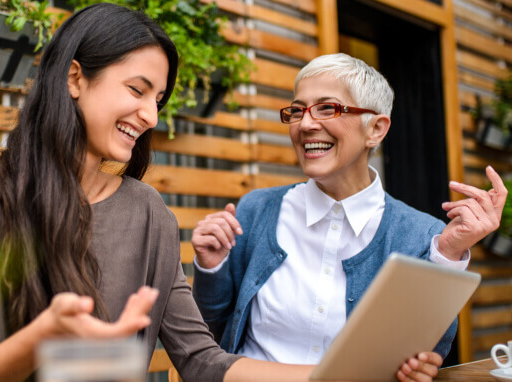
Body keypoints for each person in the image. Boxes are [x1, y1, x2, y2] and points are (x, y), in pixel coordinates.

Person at [0, 4, 315, 382]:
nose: (151, 116)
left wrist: (328, 374)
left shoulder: (147, 212)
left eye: (158, 100)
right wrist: (40, 340)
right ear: (75, 79)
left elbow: (201, 360)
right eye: (137, 90)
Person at [191, 53, 507, 382]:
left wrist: (448, 254)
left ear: (376, 129)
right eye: (297, 110)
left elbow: (427, 354)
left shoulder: (422, 234)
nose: (306, 124)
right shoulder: (256, 210)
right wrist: (211, 266)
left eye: (328, 108)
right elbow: (210, 333)